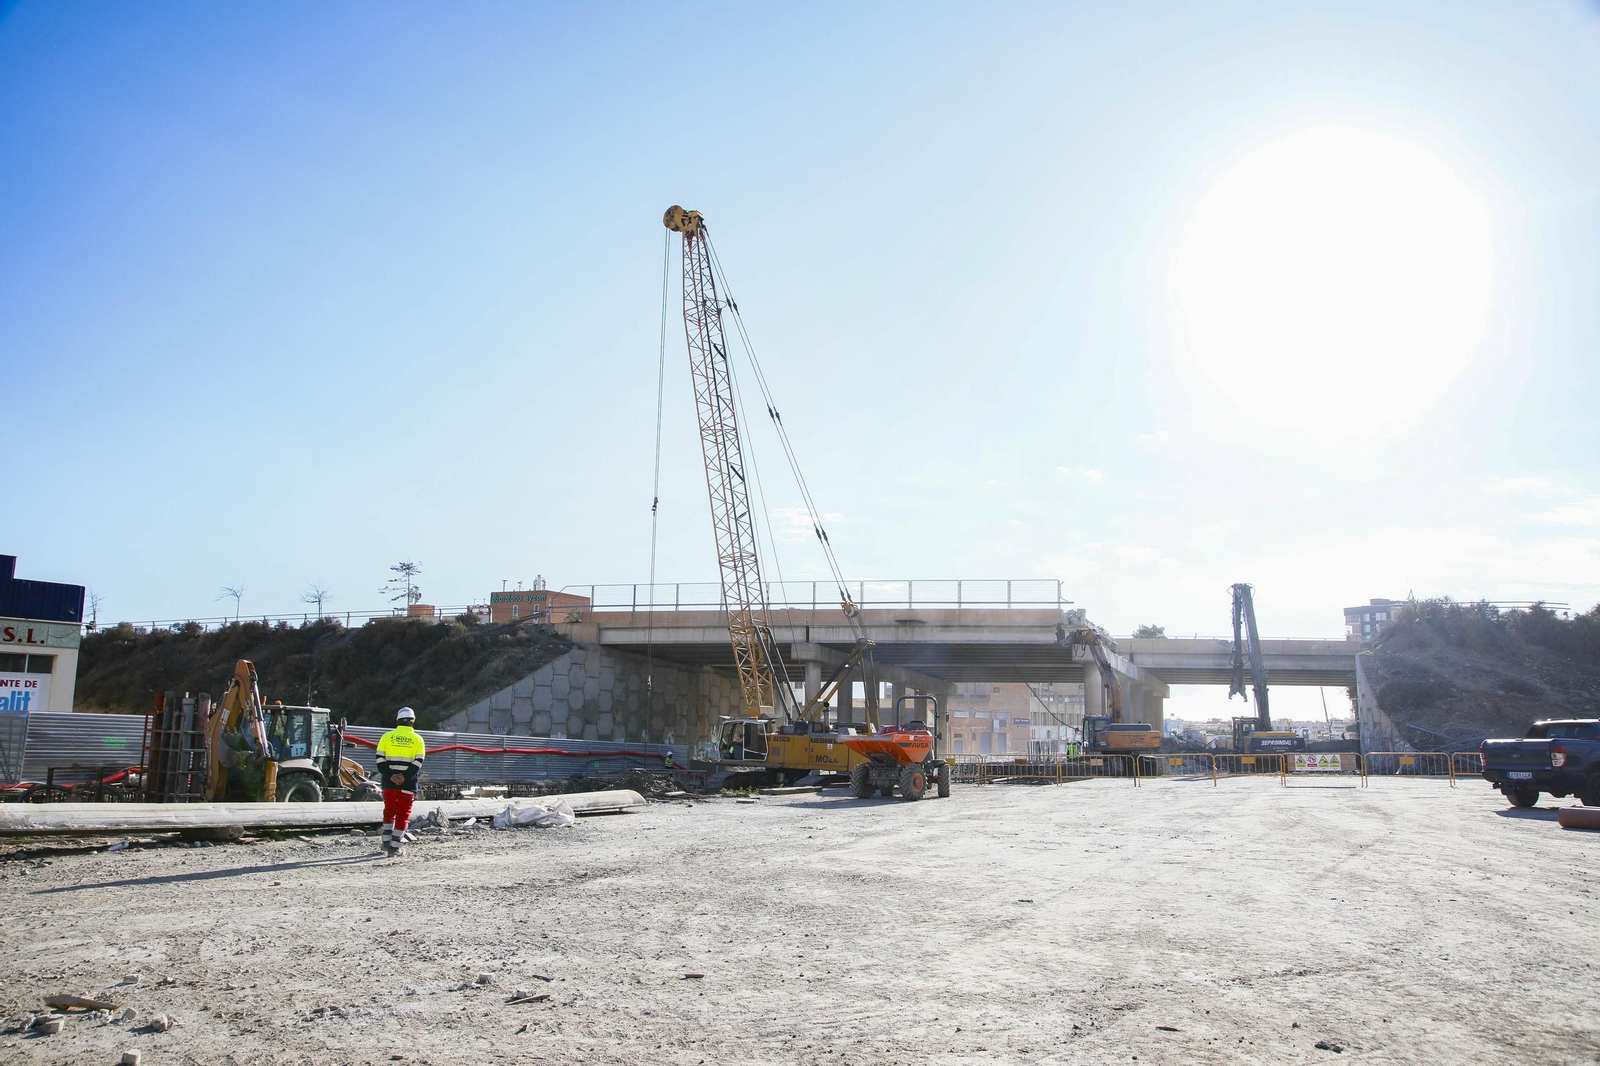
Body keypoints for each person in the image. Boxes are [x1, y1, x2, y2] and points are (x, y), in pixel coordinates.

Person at [375, 706, 426, 857]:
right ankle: (395, 846)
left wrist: (391, 775)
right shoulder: (418, 739)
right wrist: (404, 776)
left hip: (389, 783)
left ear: (397, 721)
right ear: (412, 721)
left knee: (389, 811)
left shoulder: (386, 737)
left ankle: (386, 843)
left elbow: (380, 759)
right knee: (403, 814)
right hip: (408, 783)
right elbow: (418, 761)